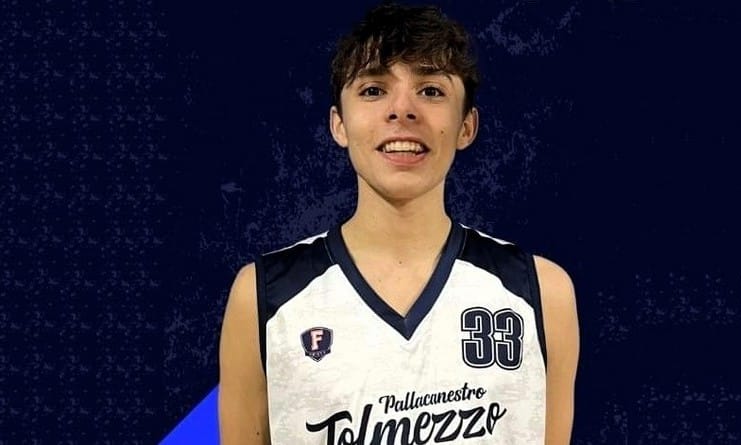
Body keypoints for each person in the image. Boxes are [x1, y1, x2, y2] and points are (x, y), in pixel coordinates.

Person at [218, 3, 579, 444]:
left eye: (431, 90)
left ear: (466, 126)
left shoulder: (541, 292)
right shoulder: (264, 294)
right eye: (373, 90)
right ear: (339, 124)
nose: (402, 110)